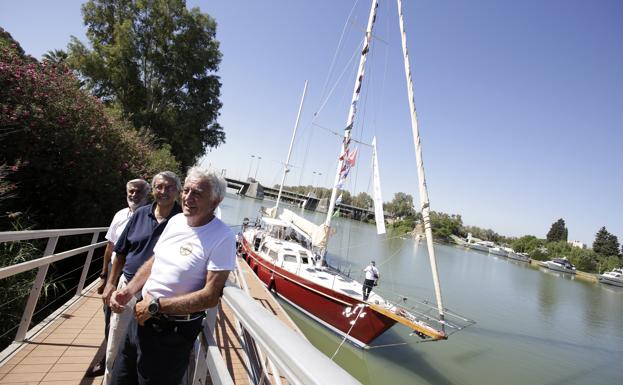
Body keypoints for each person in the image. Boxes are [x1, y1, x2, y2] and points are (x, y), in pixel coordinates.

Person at [109, 167, 235, 385]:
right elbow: (154, 261)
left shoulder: (223, 237)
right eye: (186, 190)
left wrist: (156, 306)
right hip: (139, 318)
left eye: (197, 193)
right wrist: (128, 291)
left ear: (215, 201)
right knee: (119, 379)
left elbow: (210, 296)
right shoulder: (176, 221)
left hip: (171, 333)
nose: (187, 198)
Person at [101, 171, 182, 385]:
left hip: (157, 296)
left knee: (146, 350)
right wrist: (110, 282)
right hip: (127, 287)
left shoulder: (182, 220)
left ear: (177, 191)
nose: (163, 191)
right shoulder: (140, 214)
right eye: (159, 187)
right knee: (115, 344)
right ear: (153, 190)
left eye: (170, 187)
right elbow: (120, 251)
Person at [86, 179, 150, 378]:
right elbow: (110, 247)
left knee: (133, 320)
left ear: (147, 195)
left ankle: (127, 364)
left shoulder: (151, 216)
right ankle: (108, 359)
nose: (134, 195)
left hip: (137, 274)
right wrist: (105, 276)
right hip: (115, 269)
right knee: (109, 317)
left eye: (139, 192)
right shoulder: (120, 215)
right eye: (131, 191)